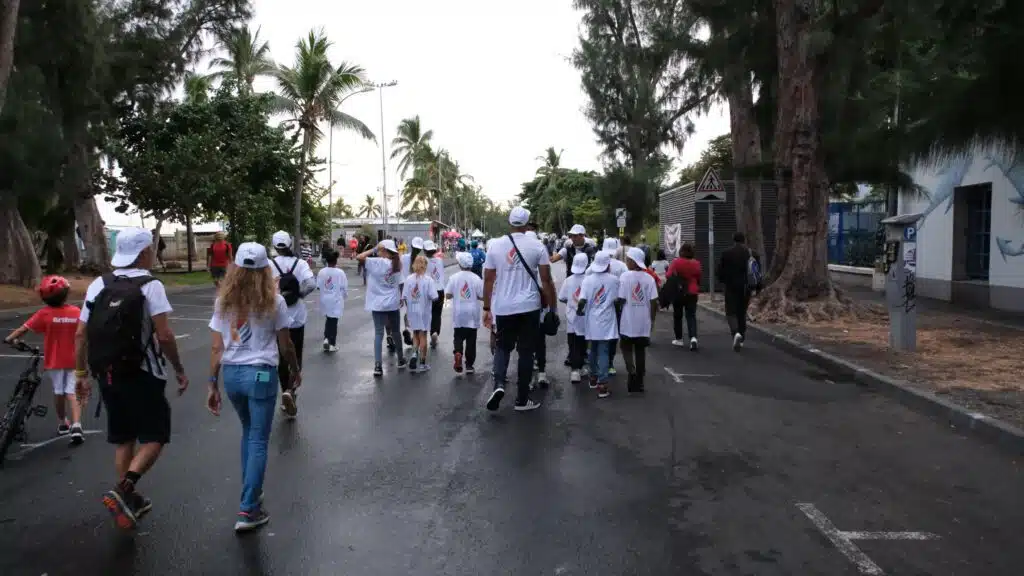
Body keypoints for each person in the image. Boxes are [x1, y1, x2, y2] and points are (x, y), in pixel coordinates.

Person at [74, 227, 187, 531]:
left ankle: (129, 501)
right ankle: (124, 489)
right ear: (143, 253)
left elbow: (81, 333)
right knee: (155, 436)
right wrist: (178, 368)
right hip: (143, 373)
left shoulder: (99, 284)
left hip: (107, 373)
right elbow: (164, 334)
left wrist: (82, 373)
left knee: (124, 437)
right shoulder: (151, 286)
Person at [206, 242, 301, 532]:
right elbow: (286, 346)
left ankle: (251, 492)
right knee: (259, 437)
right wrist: (295, 372)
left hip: (232, 375)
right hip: (261, 374)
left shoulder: (224, 301)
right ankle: (248, 508)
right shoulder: (275, 301)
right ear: (264, 270)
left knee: (249, 433)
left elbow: (216, 347)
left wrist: (212, 384)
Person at [482, 206, 557, 412]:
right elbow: (546, 279)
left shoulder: (495, 246)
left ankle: (498, 385)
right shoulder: (537, 246)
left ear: (509, 222)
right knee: (525, 352)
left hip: (504, 307)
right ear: (527, 223)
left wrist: (487, 307)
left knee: (503, 347)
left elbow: (488, 279)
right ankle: (522, 399)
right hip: (529, 307)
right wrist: (552, 307)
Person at [5, 276, 84, 442]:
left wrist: (10, 339)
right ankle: (77, 425)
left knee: (59, 391)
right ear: (66, 294)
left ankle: (63, 422)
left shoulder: (44, 314)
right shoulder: (76, 312)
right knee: (72, 391)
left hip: (54, 360)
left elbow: (23, 329)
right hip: (74, 358)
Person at [269, 231, 316, 418]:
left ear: (274, 246)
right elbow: (311, 284)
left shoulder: (269, 265)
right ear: (290, 244)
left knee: (281, 355)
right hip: (296, 317)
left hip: (275, 316)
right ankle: (291, 390)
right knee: (295, 353)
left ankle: (284, 392)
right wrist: (299, 295)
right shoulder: (301, 263)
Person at [356, 239, 408, 376]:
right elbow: (401, 283)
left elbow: (359, 257)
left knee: (379, 334)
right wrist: (402, 297)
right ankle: (401, 359)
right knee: (396, 332)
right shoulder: (396, 264)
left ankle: (378, 366)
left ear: (384, 250)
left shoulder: (376, 263)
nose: (378, 252)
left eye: (380, 250)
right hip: (392, 303)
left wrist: (373, 249)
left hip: (377, 304)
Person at [576, 251, 619, 399]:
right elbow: (617, 300)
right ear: (608, 265)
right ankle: (603, 384)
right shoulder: (614, 280)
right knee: (604, 351)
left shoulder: (587, 280)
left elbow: (582, 300)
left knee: (593, 348)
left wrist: (579, 311)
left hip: (591, 319)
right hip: (607, 320)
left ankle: (593, 378)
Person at [618, 248, 658, 393]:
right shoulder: (649, 278)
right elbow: (654, 302)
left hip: (627, 321)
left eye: (628, 260)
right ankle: (640, 381)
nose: (626, 262)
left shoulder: (624, 277)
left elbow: (621, 299)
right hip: (643, 321)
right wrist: (652, 319)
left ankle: (631, 371)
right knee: (640, 350)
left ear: (633, 261)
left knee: (626, 348)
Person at [717, 232, 762, 351]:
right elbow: (757, 272)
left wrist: (722, 281)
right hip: (746, 287)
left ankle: (735, 333)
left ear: (733, 240)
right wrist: (757, 288)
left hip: (731, 286)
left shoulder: (726, 253)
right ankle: (741, 338)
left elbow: (720, 271)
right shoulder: (753, 254)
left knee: (731, 311)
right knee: (742, 312)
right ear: (744, 240)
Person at [446, 252, 484, 375]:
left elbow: (447, 294)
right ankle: (469, 365)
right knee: (471, 340)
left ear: (460, 264)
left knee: (458, 336)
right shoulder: (476, 278)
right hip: (472, 313)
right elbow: (482, 296)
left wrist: (455, 293)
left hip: (459, 312)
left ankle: (458, 352)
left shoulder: (454, 278)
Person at [402, 254, 438, 372]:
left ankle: (413, 355)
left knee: (416, 335)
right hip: (424, 311)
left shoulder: (408, 279)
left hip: (412, 310)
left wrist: (408, 311)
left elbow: (405, 297)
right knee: (423, 336)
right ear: (425, 266)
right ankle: (422, 363)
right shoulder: (429, 280)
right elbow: (434, 297)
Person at [557, 253, 589, 383]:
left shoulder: (568, 280)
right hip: (585, 316)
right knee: (582, 343)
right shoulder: (589, 279)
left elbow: (561, 297)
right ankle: (580, 367)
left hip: (571, 316)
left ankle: (575, 371)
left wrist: (571, 303)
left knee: (573, 343)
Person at [668, 243, 702, 350]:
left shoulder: (676, 262)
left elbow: (668, 275)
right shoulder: (696, 263)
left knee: (678, 315)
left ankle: (679, 339)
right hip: (692, 291)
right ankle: (693, 338)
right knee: (691, 315)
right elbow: (699, 277)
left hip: (679, 291)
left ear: (681, 251)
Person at [316, 250, 348, 353]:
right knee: (333, 321)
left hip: (324, 299)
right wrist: (344, 296)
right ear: (336, 261)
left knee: (328, 319)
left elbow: (318, 286)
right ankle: (332, 343)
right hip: (336, 299)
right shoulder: (340, 272)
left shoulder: (322, 272)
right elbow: (344, 287)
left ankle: (326, 338)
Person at [400, 237, 425, 347]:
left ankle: (407, 328)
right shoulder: (421, 260)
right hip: (418, 288)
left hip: (405, 287)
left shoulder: (403, 257)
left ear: (411, 246)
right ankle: (412, 332)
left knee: (409, 309)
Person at [424, 240, 446, 348]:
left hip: (429, 291)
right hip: (440, 290)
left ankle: (427, 333)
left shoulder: (423, 261)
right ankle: (435, 332)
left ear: (424, 251)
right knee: (437, 314)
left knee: (428, 313)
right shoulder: (439, 261)